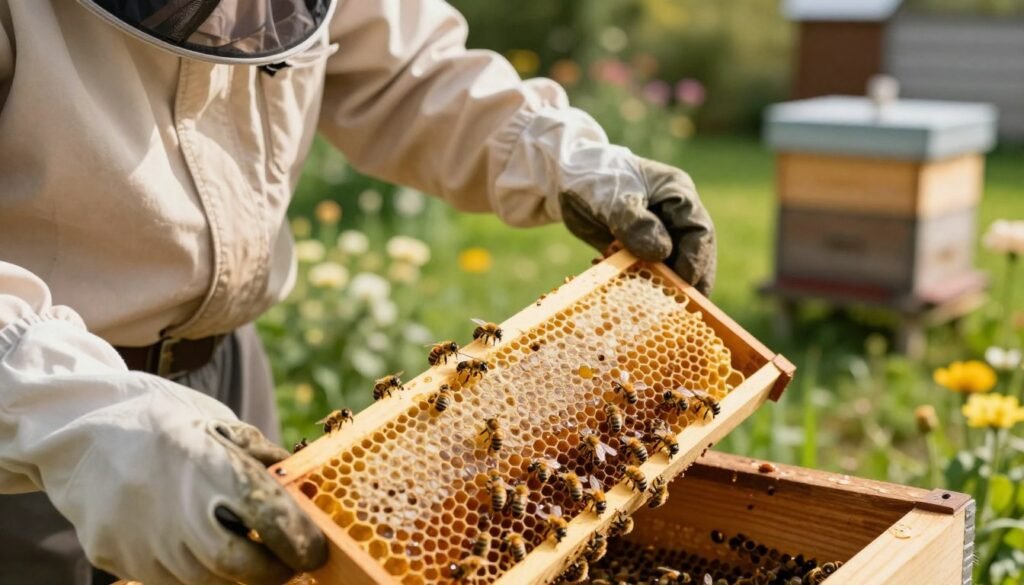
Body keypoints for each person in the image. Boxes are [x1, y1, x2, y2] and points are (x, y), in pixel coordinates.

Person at [0, 1, 715, 584]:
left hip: (227, 384)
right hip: (28, 430)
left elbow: (407, 70)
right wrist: (83, 420)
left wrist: (559, 153)